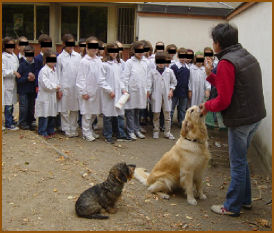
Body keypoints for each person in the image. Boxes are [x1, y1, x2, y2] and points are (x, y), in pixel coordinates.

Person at [200, 23, 266, 216]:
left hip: (241, 119)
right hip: (255, 116)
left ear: (218, 43)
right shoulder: (245, 55)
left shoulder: (227, 62)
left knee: (236, 163)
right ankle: (244, 199)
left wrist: (207, 106)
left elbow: (223, 99)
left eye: (213, 41)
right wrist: (210, 75)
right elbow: (230, 85)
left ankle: (231, 206)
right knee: (241, 160)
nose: (212, 45)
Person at [76, 36, 106, 141]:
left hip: (96, 92)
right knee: (87, 114)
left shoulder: (98, 61)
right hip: (87, 92)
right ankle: (86, 132)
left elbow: (101, 76)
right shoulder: (84, 61)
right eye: (92, 46)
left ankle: (90, 130)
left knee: (94, 113)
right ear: (87, 47)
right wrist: (83, 92)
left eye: (96, 46)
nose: (94, 49)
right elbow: (80, 78)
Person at [101, 43, 130, 144]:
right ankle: (108, 135)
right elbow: (101, 80)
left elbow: (121, 79)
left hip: (118, 93)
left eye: (115, 51)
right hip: (109, 94)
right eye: (111, 51)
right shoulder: (104, 64)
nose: (114, 53)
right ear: (107, 51)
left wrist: (123, 89)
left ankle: (120, 134)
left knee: (120, 114)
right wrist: (109, 90)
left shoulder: (118, 64)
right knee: (108, 116)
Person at [147, 52, 177, 139]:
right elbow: (149, 84)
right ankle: (156, 131)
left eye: (162, 61)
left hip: (167, 96)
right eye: (159, 62)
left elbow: (174, 82)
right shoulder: (152, 72)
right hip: (156, 96)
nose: (161, 64)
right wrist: (149, 92)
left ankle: (167, 132)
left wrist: (171, 90)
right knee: (156, 115)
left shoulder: (169, 71)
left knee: (167, 115)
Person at [56, 34, 81, 137]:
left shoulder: (78, 56)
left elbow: (80, 72)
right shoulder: (60, 58)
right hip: (64, 86)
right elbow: (57, 73)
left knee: (75, 108)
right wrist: (59, 88)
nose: (71, 46)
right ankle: (66, 128)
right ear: (64, 44)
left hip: (75, 87)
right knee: (64, 109)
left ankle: (73, 127)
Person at [123, 41, 148, 140]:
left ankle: (137, 129)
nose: (141, 53)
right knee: (130, 112)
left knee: (138, 111)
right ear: (134, 51)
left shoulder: (145, 62)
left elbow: (147, 78)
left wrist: (147, 90)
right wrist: (125, 90)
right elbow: (125, 77)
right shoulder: (129, 62)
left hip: (141, 91)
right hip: (131, 91)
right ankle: (131, 131)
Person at [35, 50, 60, 138]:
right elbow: (45, 84)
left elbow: (58, 80)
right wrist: (56, 87)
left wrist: (57, 89)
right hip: (45, 96)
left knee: (52, 114)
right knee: (44, 114)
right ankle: (42, 130)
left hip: (52, 96)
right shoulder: (43, 71)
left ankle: (50, 130)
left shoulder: (55, 70)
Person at [2, 37, 20, 130]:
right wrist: (12, 72)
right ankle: (8, 123)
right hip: (6, 83)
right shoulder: (3, 57)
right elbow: (3, 71)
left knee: (12, 104)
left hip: (13, 84)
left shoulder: (14, 56)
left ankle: (11, 120)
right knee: (8, 105)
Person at [16, 45, 36, 130]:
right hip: (23, 90)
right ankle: (22, 122)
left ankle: (30, 121)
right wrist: (26, 79)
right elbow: (18, 80)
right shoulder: (22, 65)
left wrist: (34, 77)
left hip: (31, 90)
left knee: (31, 107)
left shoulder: (35, 64)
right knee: (24, 107)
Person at [170, 47, 190, 127]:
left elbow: (189, 80)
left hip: (184, 91)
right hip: (175, 91)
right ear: (178, 56)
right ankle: (169, 123)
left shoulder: (188, 68)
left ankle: (181, 123)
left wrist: (189, 90)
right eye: (181, 56)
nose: (183, 58)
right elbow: (171, 80)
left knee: (182, 109)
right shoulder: (174, 67)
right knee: (171, 108)